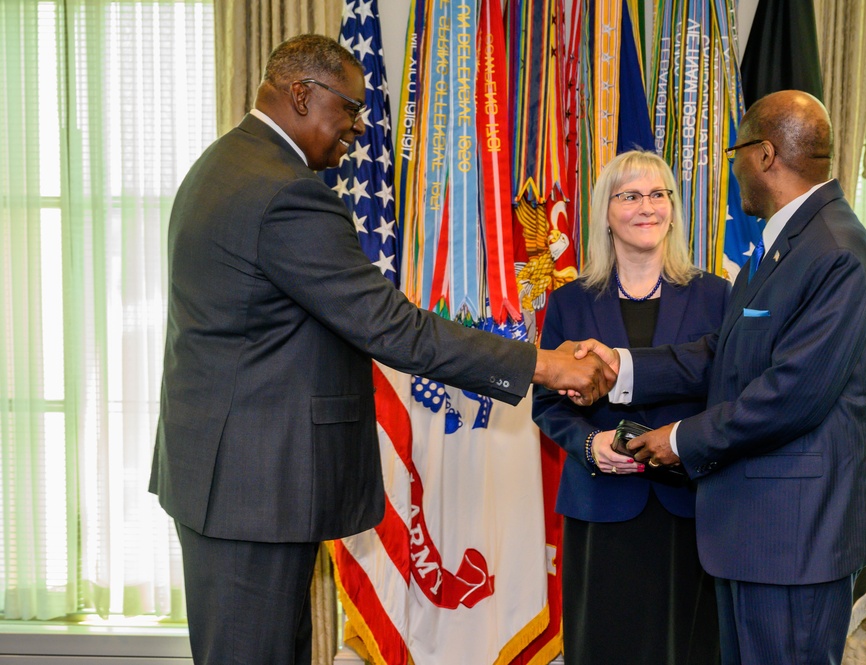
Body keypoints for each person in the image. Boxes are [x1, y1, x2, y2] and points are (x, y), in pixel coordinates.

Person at [149, 34, 612, 665]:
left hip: (232, 477)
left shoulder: (226, 162)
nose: (358, 129)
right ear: (302, 94)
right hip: (252, 489)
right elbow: (393, 328)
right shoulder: (284, 193)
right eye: (349, 109)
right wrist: (546, 363)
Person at [578, 91, 866, 664]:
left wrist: (675, 440)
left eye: (735, 151)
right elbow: (727, 352)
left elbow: (790, 396)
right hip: (753, 534)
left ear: (765, 154)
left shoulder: (836, 251)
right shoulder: (783, 245)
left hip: (795, 543)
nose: (731, 166)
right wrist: (623, 367)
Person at [533, 151, 728, 664]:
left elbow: (730, 396)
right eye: (631, 196)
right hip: (600, 509)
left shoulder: (716, 297)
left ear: (673, 207)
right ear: (605, 212)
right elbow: (547, 404)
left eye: (658, 194)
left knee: (687, 649)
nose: (648, 207)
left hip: (689, 509)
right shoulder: (571, 301)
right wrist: (589, 445)